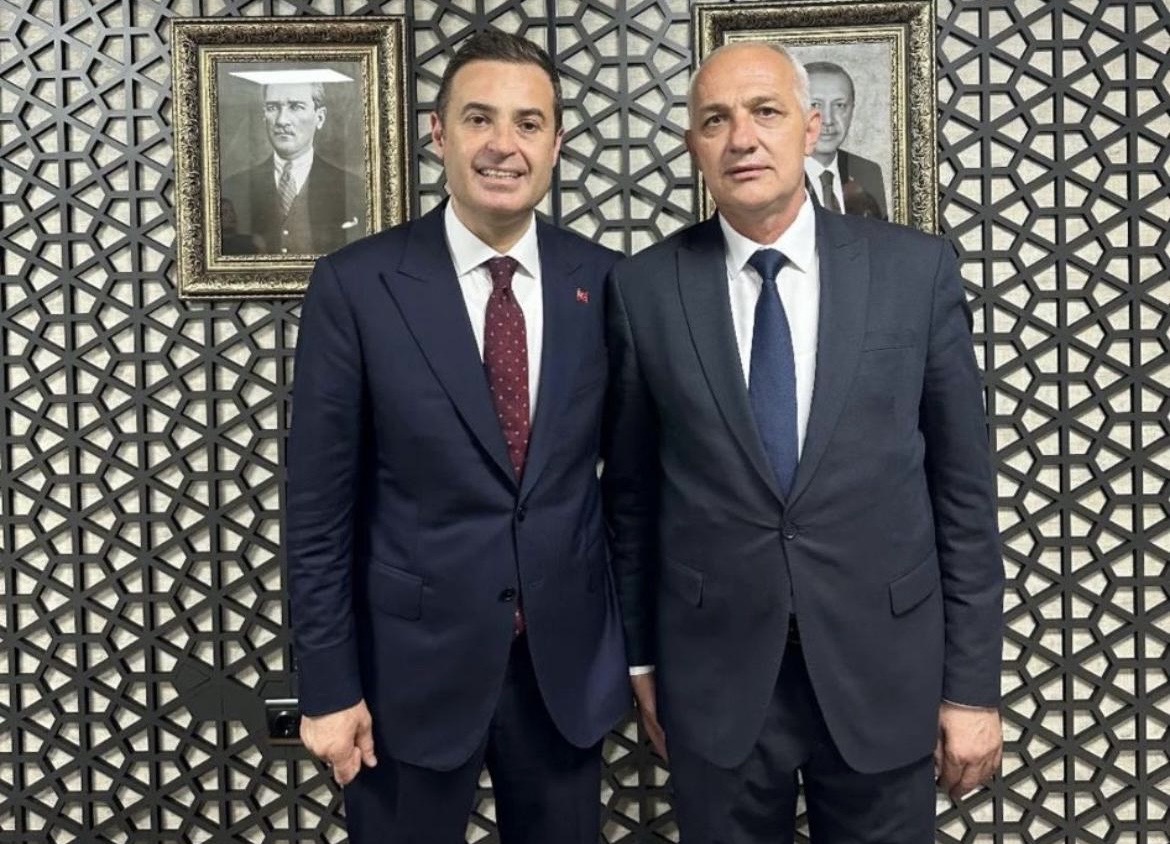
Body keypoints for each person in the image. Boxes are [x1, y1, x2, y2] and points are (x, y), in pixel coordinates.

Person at [603, 42, 1004, 842]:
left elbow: (963, 494)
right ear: (692, 144)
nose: (742, 138)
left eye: (766, 112)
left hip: (882, 671)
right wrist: (641, 659)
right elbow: (633, 498)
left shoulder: (914, 273)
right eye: (715, 120)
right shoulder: (644, 290)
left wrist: (972, 689)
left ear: (811, 127)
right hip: (715, 678)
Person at [284, 30, 629, 844]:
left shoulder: (605, 281)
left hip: (562, 676)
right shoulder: (358, 285)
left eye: (528, 123)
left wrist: (637, 657)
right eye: (479, 119)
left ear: (556, 145)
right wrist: (327, 688)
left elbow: (632, 491)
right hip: (406, 679)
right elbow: (318, 511)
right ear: (439, 134)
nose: (504, 145)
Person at [221, 80, 364, 255]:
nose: (282, 120)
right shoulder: (233, 188)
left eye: (296, 107)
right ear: (264, 116)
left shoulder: (353, 188)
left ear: (320, 118)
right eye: (273, 107)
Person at [804, 61, 888, 219]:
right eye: (815, 105)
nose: (828, 120)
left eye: (840, 105)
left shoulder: (867, 172)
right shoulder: (775, 174)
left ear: (852, 110)